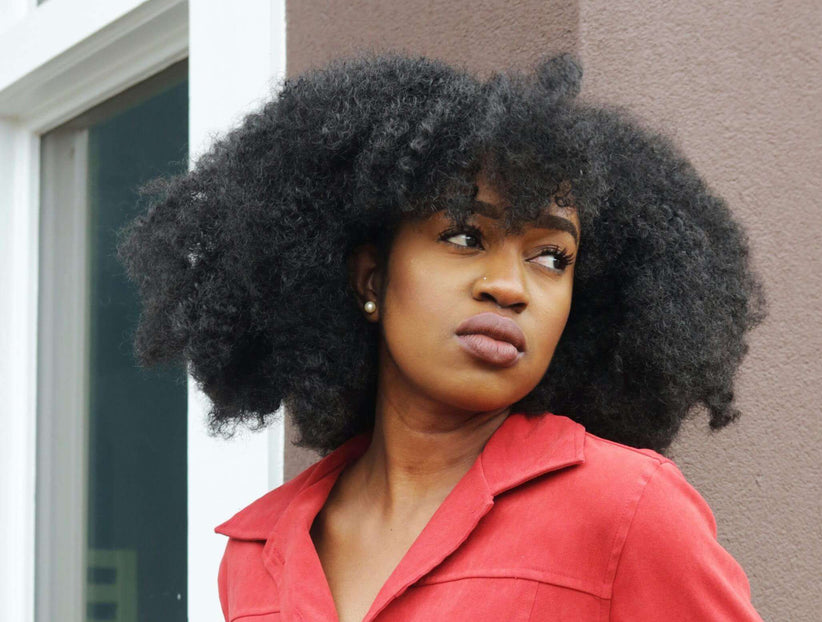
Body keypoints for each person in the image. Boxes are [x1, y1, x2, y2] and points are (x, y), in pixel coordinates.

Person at [118, 50, 768, 621]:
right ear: (371, 275)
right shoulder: (256, 555)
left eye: (551, 257)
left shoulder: (625, 510)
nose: (510, 286)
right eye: (465, 236)